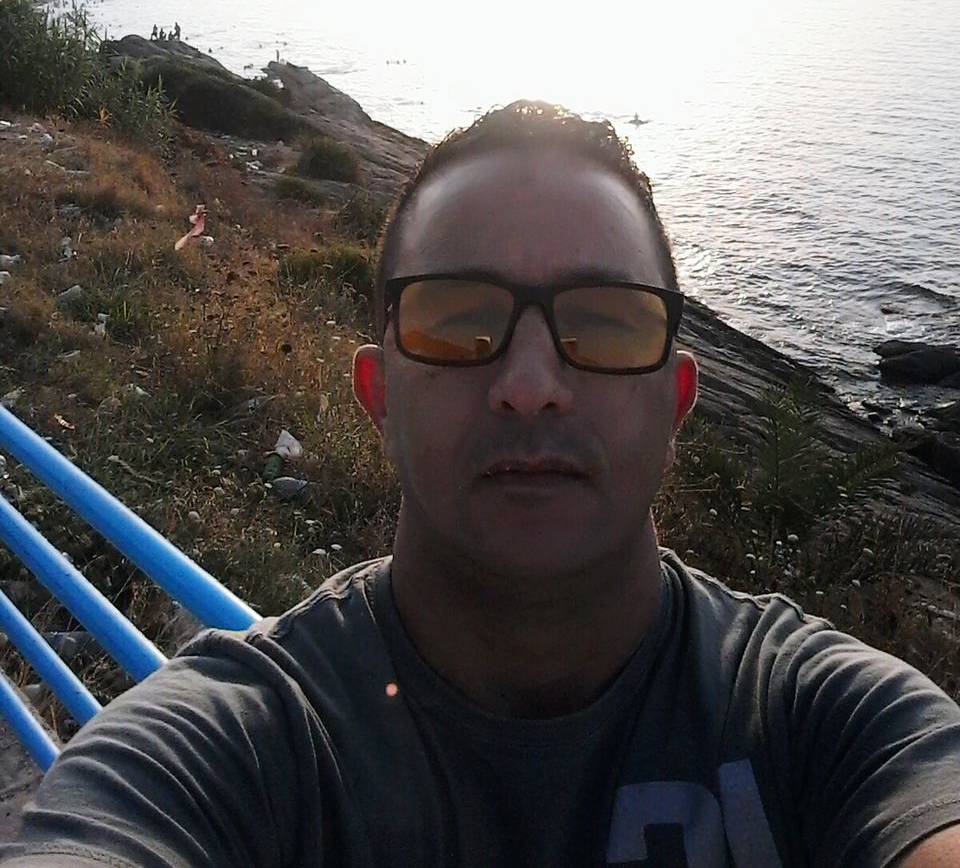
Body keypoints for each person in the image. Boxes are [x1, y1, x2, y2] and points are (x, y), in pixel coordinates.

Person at [7, 102, 960, 868]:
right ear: (378, 394)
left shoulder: (828, 722)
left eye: (606, 321)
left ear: (677, 403)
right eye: (459, 319)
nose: (531, 387)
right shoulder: (237, 748)